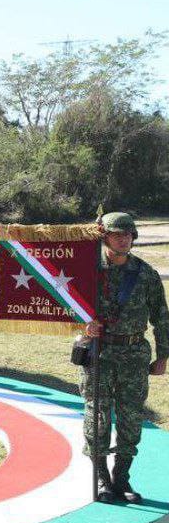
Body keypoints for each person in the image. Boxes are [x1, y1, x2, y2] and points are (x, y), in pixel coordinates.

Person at [81, 212, 169, 504]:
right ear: (104, 236)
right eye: (117, 234)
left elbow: (162, 318)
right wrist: (83, 326)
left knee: (131, 419)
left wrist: (163, 356)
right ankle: (102, 478)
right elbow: (65, 308)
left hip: (133, 355)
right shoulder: (87, 271)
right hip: (99, 354)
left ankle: (122, 478)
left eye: (128, 234)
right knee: (98, 417)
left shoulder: (145, 274)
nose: (124, 239)